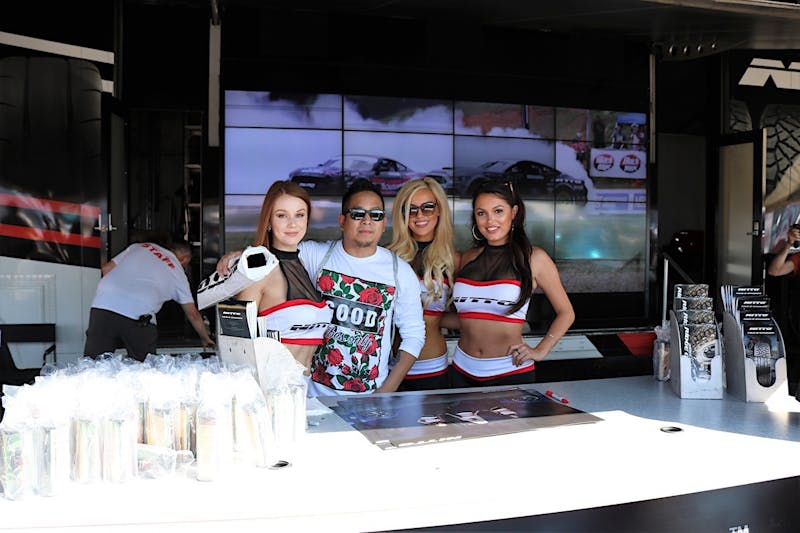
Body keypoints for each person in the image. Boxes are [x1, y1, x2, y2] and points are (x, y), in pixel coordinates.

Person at [217, 178, 425, 396]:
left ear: (384, 223)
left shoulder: (400, 271)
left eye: (376, 215)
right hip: (313, 393)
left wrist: (387, 390)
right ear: (342, 221)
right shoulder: (315, 255)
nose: (367, 221)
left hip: (369, 396)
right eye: (357, 214)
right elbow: (278, 250)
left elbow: (414, 334)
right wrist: (241, 255)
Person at [448, 179, 575, 387]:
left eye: (498, 211)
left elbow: (566, 313)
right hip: (461, 370)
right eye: (481, 213)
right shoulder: (467, 258)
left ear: (514, 212)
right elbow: (466, 317)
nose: (490, 220)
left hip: (509, 371)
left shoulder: (535, 258)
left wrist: (541, 350)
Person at [234, 181, 333, 374]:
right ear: (268, 221)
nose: (292, 224)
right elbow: (237, 344)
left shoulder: (305, 263)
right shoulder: (259, 271)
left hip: (304, 385)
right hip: (270, 387)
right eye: (282, 215)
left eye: (299, 215)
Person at [84, 240, 214, 361]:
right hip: (138, 314)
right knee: (144, 367)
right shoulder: (177, 272)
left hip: (103, 305)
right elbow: (192, 314)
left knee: (94, 363)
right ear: (185, 259)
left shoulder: (141, 246)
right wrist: (205, 338)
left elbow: (106, 269)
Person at [388, 177, 461, 391]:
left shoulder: (453, 260)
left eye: (428, 207)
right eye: (411, 209)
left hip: (431, 367)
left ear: (439, 210)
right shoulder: (387, 256)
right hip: (386, 367)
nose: (419, 215)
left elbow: (467, 315)